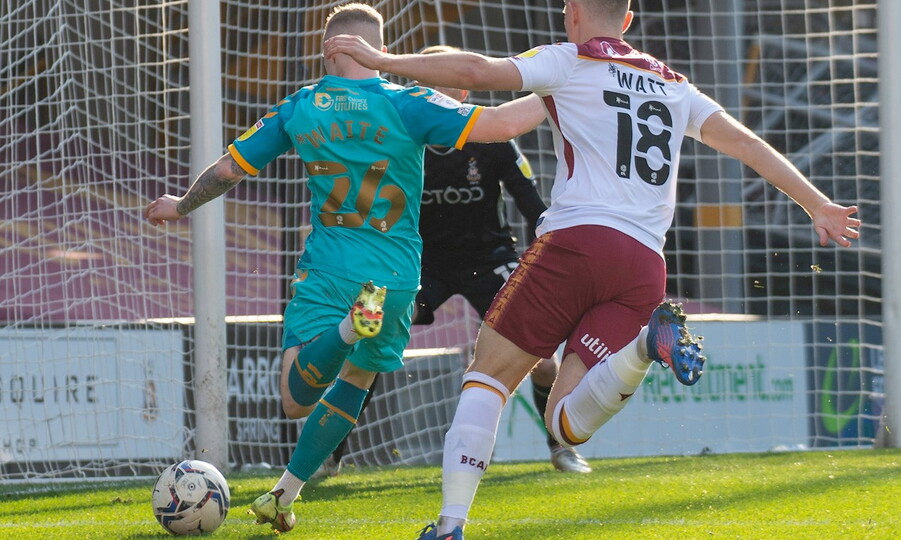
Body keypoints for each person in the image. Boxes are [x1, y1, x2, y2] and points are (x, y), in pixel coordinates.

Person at [324, 1, 862, 539]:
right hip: (644, 267)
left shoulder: (568, 60)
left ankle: (449, 526)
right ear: (627, 21)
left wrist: (383, 60)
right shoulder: (675, 85)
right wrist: (817, 204)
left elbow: (475, 71)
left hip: (577, 244)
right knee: (566, 423)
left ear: (572, 12)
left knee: (487, 378)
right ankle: (645, 347)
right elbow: (746, 143)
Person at [144, 3, 546, 534]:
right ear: (376, 49)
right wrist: (564, 84)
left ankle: (345, 330)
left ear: (328, 49)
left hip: (331, 270)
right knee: (357, 377)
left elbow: (227, 171)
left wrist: (181, 206)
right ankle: (284, 495)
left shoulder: (300, 106)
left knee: (296, 399)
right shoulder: (410, 102)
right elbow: (503, 123)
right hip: (396, 280)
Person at [321, 45, 591, 477]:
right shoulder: (397, 139)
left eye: (445, 83)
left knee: (541, 359)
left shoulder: (493, 138)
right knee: (366, 335)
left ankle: (560, 448)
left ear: (464, 94)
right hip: (414, 262)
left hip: (490, 258)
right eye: (426, 84)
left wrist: (557, 253)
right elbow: (366, 208)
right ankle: (328, 454)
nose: (434, 94)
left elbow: (532, 205)